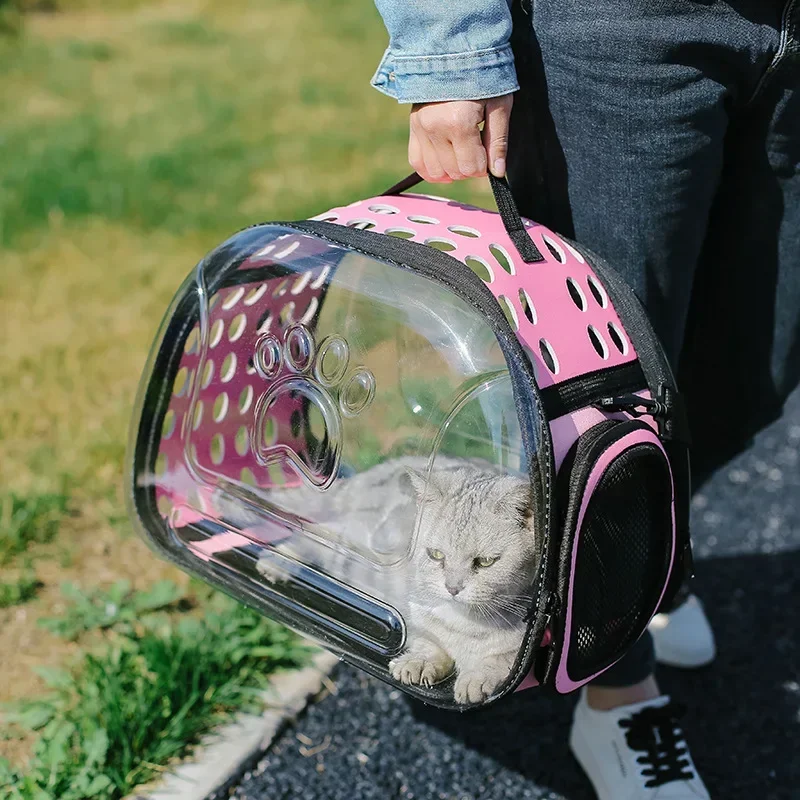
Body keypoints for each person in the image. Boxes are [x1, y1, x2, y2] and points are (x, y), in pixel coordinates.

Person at [369, 1, 800, 798]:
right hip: (623, 32)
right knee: (596, 399)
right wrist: (445, 53)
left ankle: (652, 561)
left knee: (759, 369)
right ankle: (616, 690)